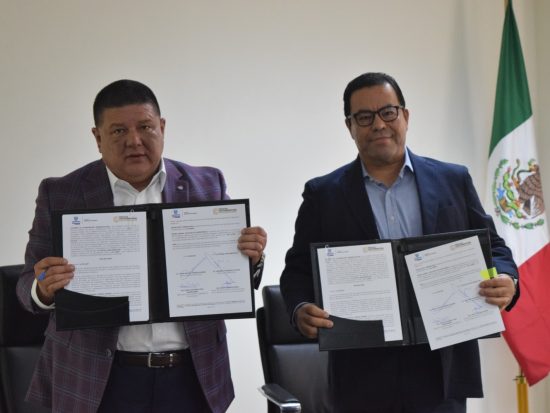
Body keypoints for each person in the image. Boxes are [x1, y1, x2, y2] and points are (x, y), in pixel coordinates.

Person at [16, 79, 267, 413]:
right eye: (118, 131)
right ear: (98, 138)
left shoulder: (207, 184)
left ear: (162, 127)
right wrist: (44, 289)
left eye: (145, 127)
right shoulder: (61, 192)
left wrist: (251, 257)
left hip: (192, 375)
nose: (134, 141)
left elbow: (231, 272)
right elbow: (26, 285)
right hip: (97, 379)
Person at [280, 72, 519, 413]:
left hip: (442, 368)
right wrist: (300, 308)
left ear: (405, 116)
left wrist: (507, 278)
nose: (379, 124)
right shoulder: (323, 194)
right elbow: (298, 270)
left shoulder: (453, 180)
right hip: (360, 376)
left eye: (388, 112)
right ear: (350, 126)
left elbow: (493, 248)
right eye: (364, 117)